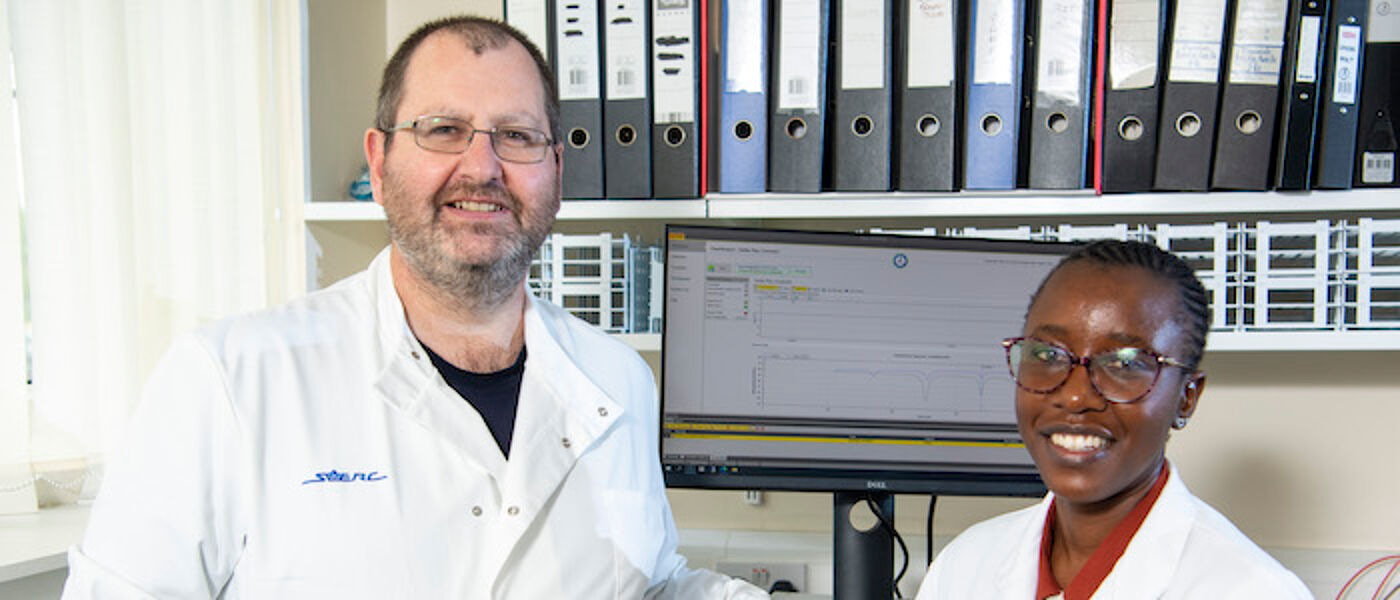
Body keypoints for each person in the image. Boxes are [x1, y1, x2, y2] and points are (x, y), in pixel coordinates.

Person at [62, 16, 764, 599]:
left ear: (556, 170)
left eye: (517, 136)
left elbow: (650, 583)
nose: (483, 167)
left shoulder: (618, 381)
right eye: (442, 129)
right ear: (379, 160)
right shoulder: (227, 382)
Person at [915, 240, 1311, 599]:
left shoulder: (1253, 590)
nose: (1074, 396)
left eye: (1124, 364)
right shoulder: (964, 568)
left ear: (1186, 399)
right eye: (1048, 355)